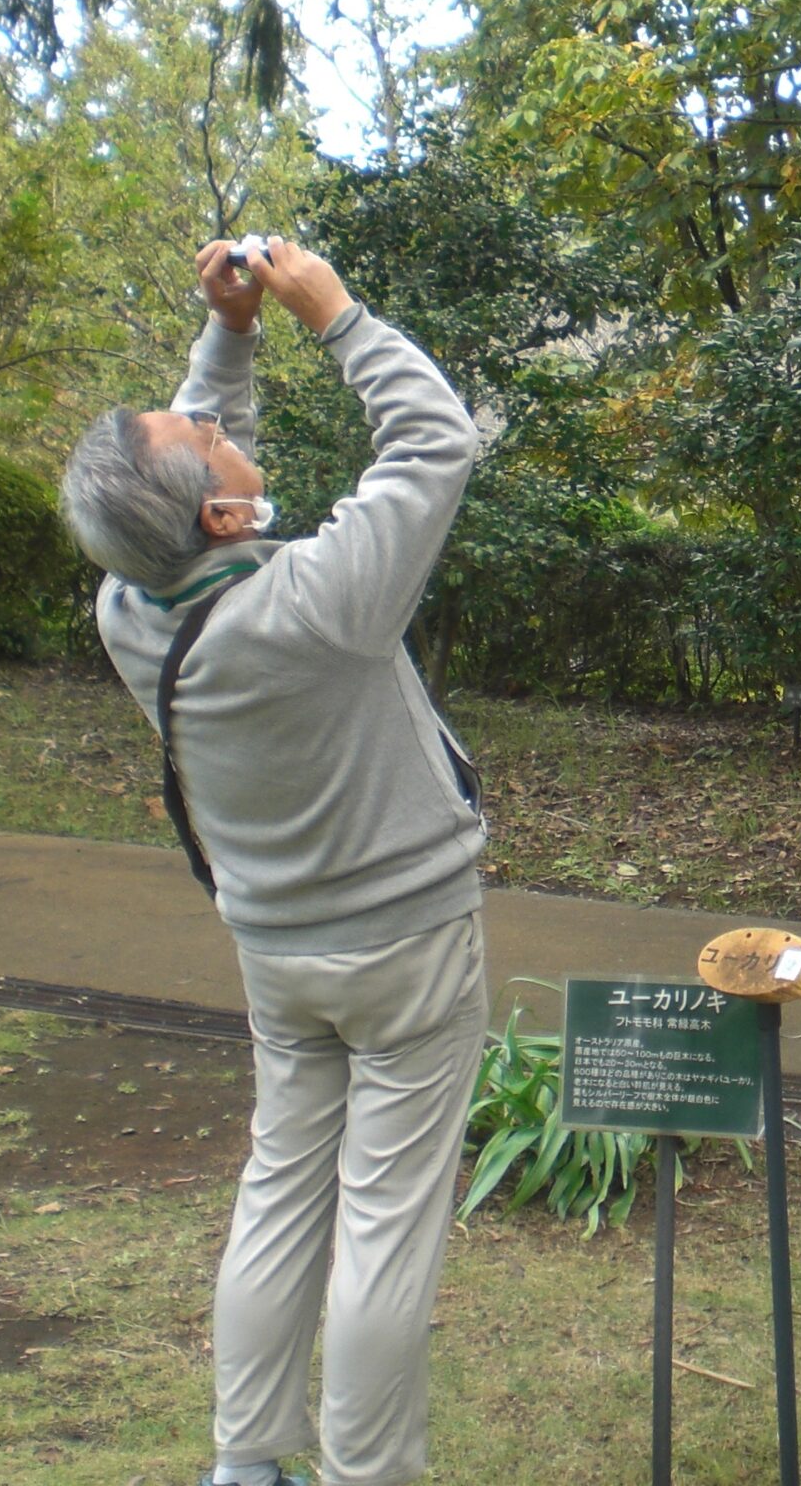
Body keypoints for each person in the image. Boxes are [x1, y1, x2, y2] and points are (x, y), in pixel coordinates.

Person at [60, 238, 489, 1486]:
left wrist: (231, 333)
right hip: (407, 950)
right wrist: (335, 315)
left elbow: (189, 459)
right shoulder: (319, 601)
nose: (214, 424)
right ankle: (368, 1474)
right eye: (203, 437)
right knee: (385, 1229)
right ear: (225, 511)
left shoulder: (131, 611)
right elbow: (434, 448)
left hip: (279, 952)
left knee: (279, 1194)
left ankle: (246, 1465)